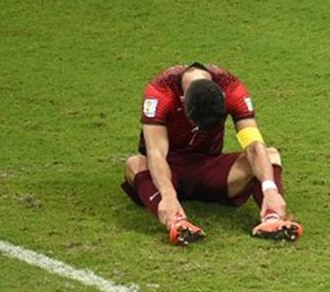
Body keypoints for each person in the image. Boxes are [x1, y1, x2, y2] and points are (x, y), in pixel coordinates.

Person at [121, 62, 302, 245]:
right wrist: (167, 195)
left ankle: (272, 219)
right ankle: (177, 222)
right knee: (135, 164)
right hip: (168, 169)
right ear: (183, 101)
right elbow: (156, 153)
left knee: (269, 155)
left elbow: (253, 144)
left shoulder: (232, 89)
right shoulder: (160, 92)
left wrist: (269, 188)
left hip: (208, 167)